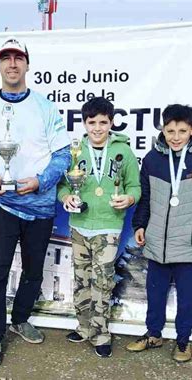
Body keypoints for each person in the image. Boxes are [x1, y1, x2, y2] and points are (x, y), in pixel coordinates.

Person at [0, 37, 71, 369]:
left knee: (32, 270)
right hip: (3, 203)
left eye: (18, 58)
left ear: (27, 64)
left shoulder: (45, 107)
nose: (12, 64)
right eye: (6, 58)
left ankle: (21, 317)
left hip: (40, 206)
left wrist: (41, 181)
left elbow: (63, 155)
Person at [125, 104, 192, 362]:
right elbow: (146, 198)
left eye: (182, 130)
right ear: (163, 129)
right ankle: (153, 334)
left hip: (189, 243)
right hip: (157, 241)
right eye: (170, 130)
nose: (176, 136)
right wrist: (140, 225)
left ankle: (183, 341)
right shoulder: (152, 159)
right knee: (155, 292)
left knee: (186, 296)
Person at [57, 97, 141, 358]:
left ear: (111, 122)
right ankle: (83, 327)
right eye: (91, 122)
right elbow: (62, 185)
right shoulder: (74, 150)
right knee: (81, 279)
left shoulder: (123, 151)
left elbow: (135, 187)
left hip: (108, 226)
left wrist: (129, 199)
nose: (97, 128)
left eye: (102, 122)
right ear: (84, 123)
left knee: (102, 281)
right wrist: (65, 197)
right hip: (79, 224)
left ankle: (101, 333)